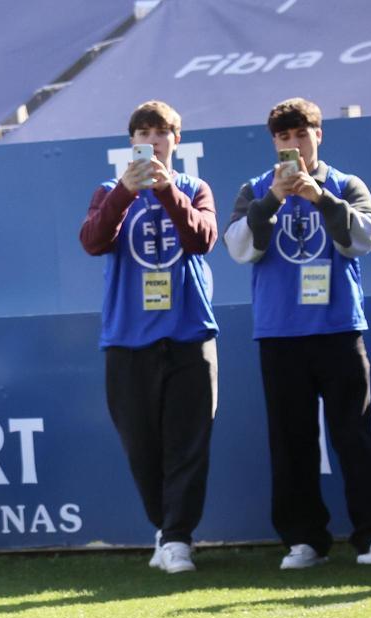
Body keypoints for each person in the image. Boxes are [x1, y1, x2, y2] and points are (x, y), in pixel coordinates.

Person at [223, 97, 371, 569]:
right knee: (291, 441)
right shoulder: (255, 189)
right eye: (284, 138)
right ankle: (303, 541)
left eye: (301, 135)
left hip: (339, 330)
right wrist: (275, 199)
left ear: (318, 136)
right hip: (280, 335)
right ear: (274, 143)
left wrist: (319, 197)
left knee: (354, 435)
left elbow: (363, 239)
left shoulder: (345, 184)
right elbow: (241, 248)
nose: (294, 146)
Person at [78, 100, 219, 574]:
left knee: (188, 443)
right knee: (142, 447)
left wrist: (167, 193)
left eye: (160, 134)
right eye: (143, 134)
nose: (152, 143)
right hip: (127, 341)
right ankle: (165, 527)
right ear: (132, 142)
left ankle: (178, 537)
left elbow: (202, 239)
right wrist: (125, 191)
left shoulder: (194, 187)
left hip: (188, 336)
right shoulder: (109, 190)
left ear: (175, 140)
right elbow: (94, 240)